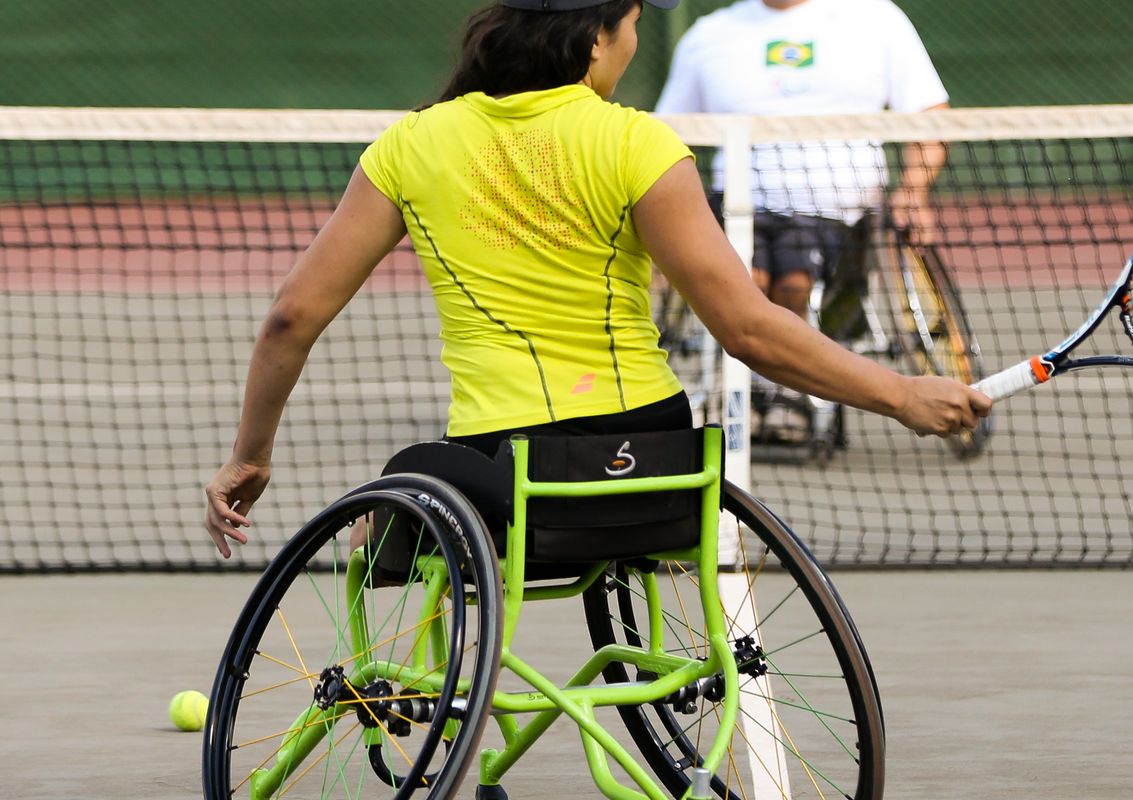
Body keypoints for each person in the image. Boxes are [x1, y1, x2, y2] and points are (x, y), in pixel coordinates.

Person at [202, 0, 989, 558]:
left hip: (501, 490)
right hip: (652, 472)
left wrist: (251, 455)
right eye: (636, 21)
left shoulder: (409, 147)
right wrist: (901, 395)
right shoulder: (638, 144)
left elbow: (290, 318)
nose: (636, 40)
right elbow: (747, 331)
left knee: (402, 497)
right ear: (596, 37)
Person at [653, 0, 951, 444]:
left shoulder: (876, 17)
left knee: (793, 282)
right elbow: (666, 136)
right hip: (736, 208)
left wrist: (913, 190)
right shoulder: (708, 35)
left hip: (838, 215)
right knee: (746, 280)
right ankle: (755, 397)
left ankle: (784, 396)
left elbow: (930, 116)